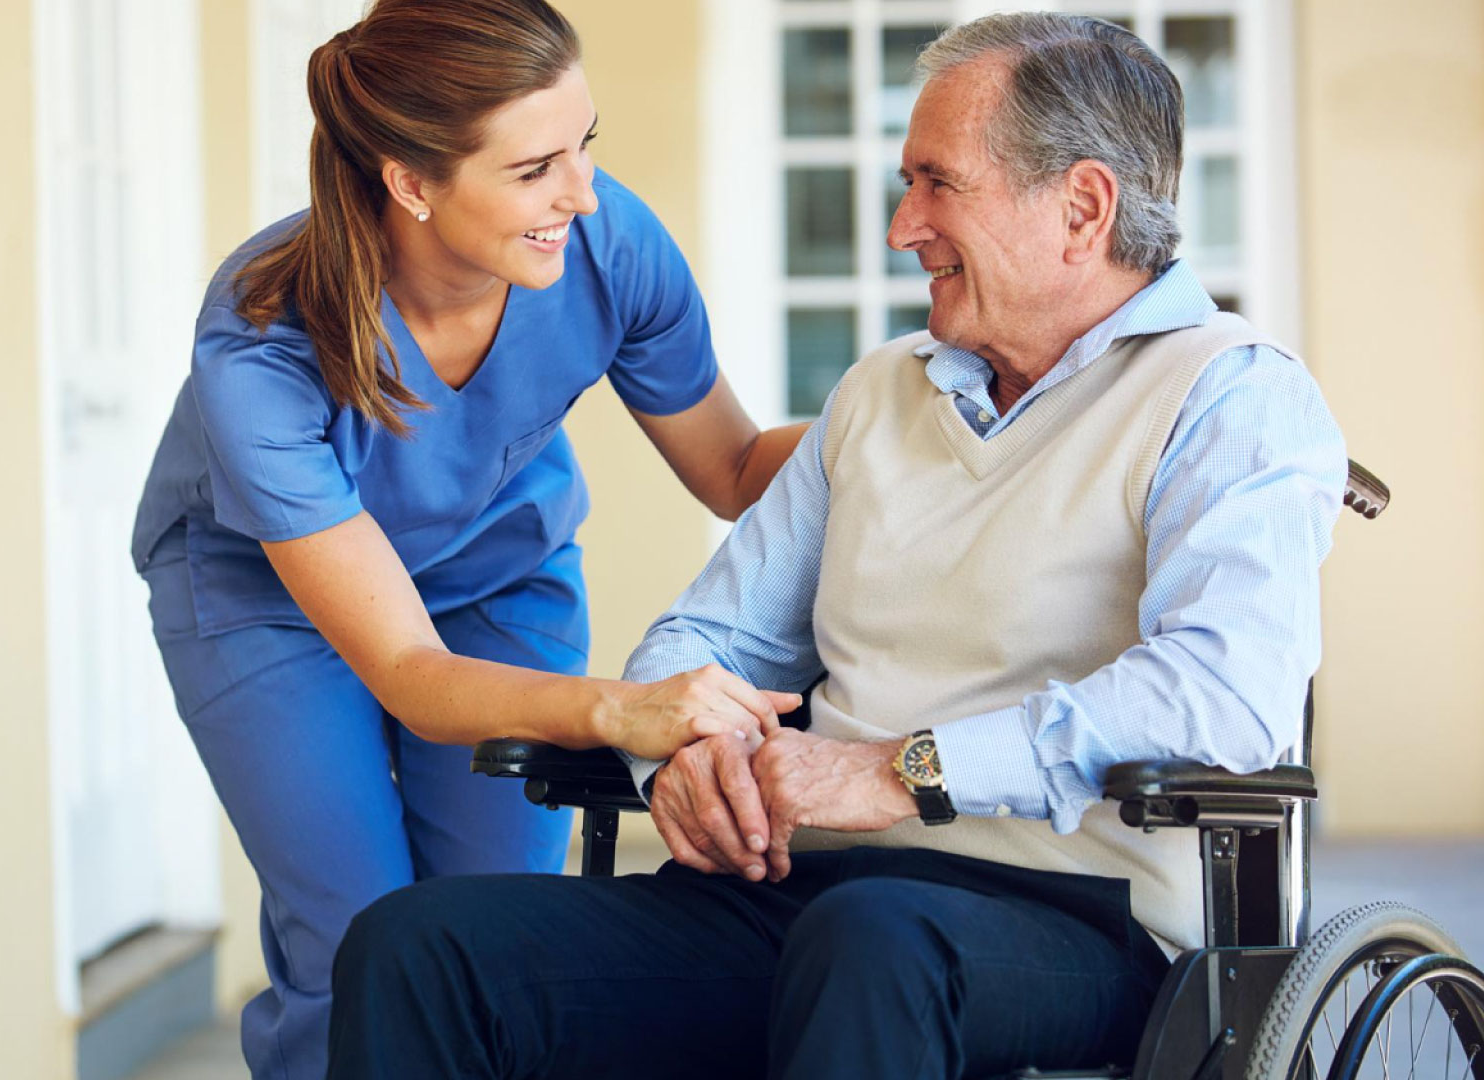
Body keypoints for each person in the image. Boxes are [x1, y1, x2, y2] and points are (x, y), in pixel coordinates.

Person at [326, 12, 1348, 1080]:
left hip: (1076, 917)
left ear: (1082, 208)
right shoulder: (879, 395)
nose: (903, 227)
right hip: (804, 894)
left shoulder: (1231, 395)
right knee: (417, 948)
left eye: (937, 184)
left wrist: (901, 773)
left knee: (873, 945)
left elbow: (1221, 698)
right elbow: (711, 633)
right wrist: (685, 753)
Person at [130, 1, 808, 1076]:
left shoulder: (607, 244)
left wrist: (909, 422)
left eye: (583, 146)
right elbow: (407, 670)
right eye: (534, 167)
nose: (580, 195)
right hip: (266, 604)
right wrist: (617, 710)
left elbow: (732, 470)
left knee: (495, 933)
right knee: (356, 939)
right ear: (410, 181)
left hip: (498, 575)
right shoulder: (264, 343)